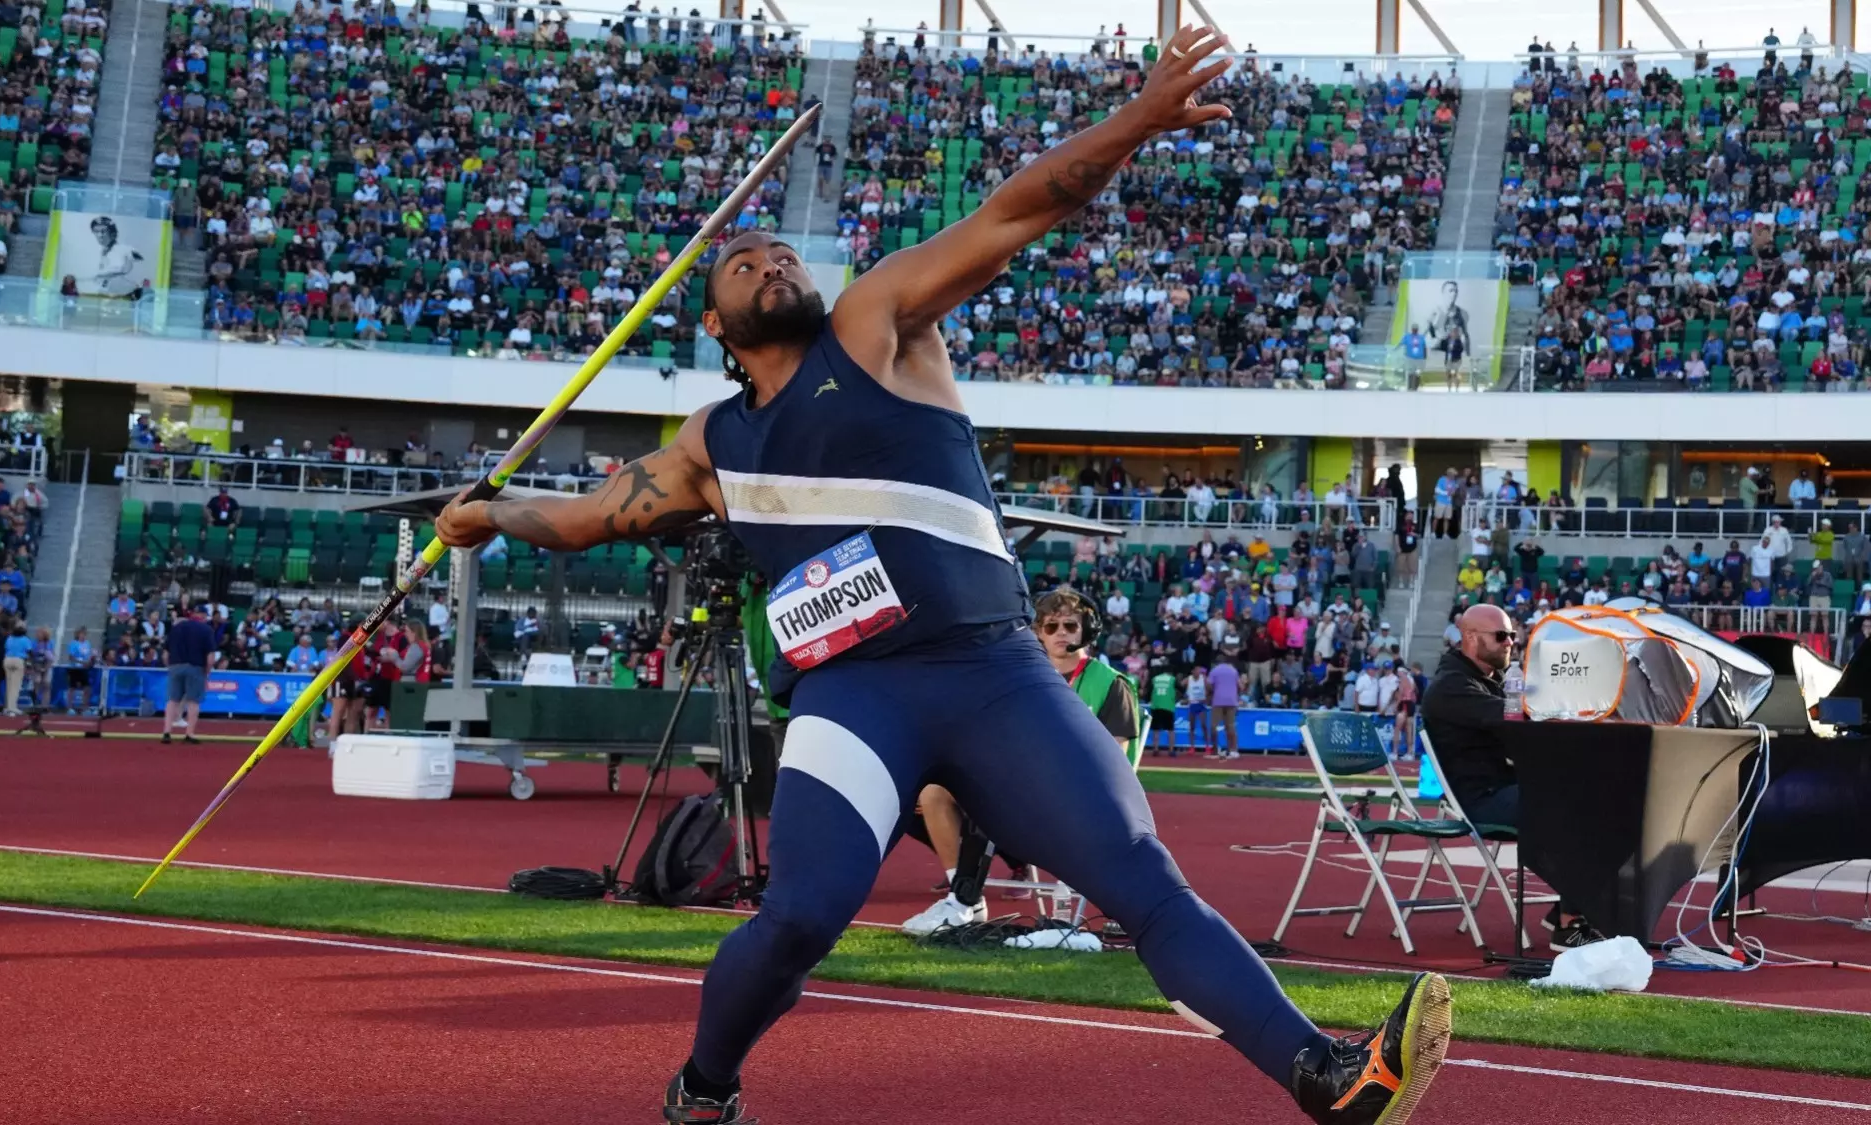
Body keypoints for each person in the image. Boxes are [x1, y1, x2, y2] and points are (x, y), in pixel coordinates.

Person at [434, 27, 1449, 1125]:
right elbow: (586, 517)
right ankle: (703, 1088)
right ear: (720, 330)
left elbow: (1015, 213)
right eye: (745, 264)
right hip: (853, 698)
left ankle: (1327, 1079)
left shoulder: (877, 327)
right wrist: (484, 513)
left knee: (1143, 881)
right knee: (800, 916)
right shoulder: (707, 446)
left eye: (782, 254)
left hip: (995, 672)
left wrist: (1135, 122)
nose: (774, 262)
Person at [898, 587, 1139, 935]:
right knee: (935, 790)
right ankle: (964, 896)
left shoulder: (1110, 683)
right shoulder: (1022, 676)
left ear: (1087, 630)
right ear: (1037, 632)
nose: (1060, 634)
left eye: (1070, 626)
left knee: (993, 795)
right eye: (1051, 626)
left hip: (1083, 797)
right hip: (1027, 790)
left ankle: (963, 898)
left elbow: (1115, 762)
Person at [1420, 605, 1599, 951]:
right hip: (1481, 799)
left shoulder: (1491, 680)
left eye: (1513, 636)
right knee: (1576, 807)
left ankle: (1572, 906)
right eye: (1501, 636)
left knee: (1596, 796)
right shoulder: (1451, 687)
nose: (1510, 644)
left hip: (1506, 788)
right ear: (1470, 638)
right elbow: (1513, 718)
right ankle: (1569, 923)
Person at [164, 605, 216, 744]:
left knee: (173, 700)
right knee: (193, 701)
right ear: (204, 616)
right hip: (195, 666)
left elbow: (165, 652)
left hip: (176, 665)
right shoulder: (206, 630)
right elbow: (210, 655)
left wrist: (170, 666)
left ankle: (167, 731)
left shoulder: (177, 628)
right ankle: (189, 733)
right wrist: (207, 671)